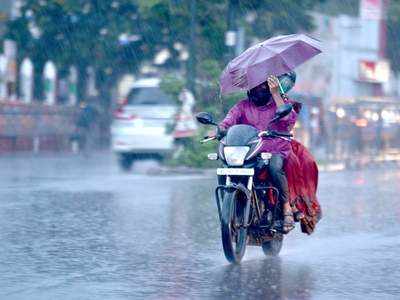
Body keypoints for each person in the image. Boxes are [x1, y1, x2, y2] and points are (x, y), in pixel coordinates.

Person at [218, 73, 297, 233]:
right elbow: (228, 121)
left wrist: (276, 94)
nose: (257, 89)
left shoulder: (280, 101)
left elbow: (288, 120)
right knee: (225, 167)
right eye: (253, 86)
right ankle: (232, 208)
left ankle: (286, 207)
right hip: (251, 151)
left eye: (261, 85)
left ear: (269, 86)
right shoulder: (242, 106)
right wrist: (220, 129)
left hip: (275, 148)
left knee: (275, 168)